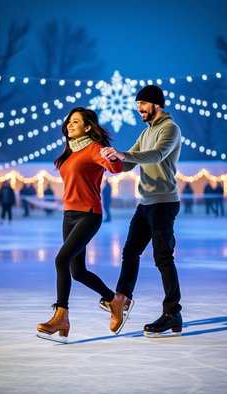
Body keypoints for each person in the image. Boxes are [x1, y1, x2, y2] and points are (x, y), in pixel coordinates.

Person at [36, 107, 133, 344]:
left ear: (87, 127)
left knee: (61, 260)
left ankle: (61, 315)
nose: (70, 125)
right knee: (77, 271)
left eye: (75, 122)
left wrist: (112, 157)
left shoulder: (93, 149)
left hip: (89, 214)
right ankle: (114, 300)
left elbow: (114, 168)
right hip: (69, 215)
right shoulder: (70, 151)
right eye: (69, 121)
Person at [100, 85, 183, 337]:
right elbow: (131, 161)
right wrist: (110, 160)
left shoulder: (170, 129)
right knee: (130, 251)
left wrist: (123, 154)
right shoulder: (145, 132)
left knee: (163, 258)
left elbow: (157, 155)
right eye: (137, 105)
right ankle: (122, 299)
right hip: (146, 202)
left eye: (142, 104)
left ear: (156, 104)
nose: (138, 109)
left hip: (164, 202)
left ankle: (172, 312)